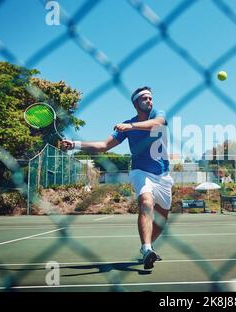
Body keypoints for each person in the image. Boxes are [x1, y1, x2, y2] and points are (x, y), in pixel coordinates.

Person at [60, 86, 173, 270]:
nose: (149, 101)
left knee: (161, 220)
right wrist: (75, 144)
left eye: (150, 98)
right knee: (146, 202)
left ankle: (148, 246)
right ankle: (146, 249)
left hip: (163, 176)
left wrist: (131, 126)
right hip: (141, 172)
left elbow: (158, 124)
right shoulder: (126, 126)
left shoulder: (157, 115)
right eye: (144, 98)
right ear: (136, 103)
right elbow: (104, 145)